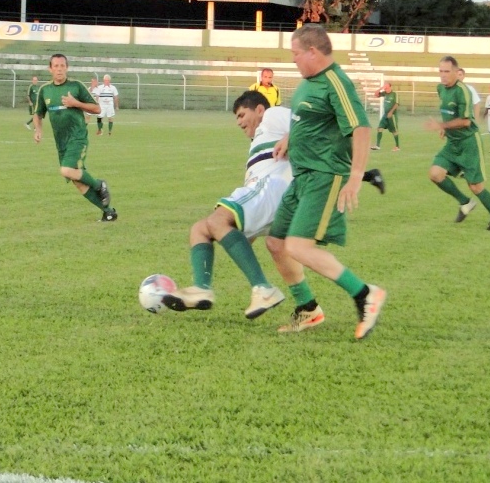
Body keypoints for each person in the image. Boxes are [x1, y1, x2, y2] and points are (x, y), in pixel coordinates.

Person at [165, 90, 388, 319]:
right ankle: (307, 306)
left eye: (242, 115)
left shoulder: (272, 116)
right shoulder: (260, 139)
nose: (239, 122)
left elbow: (312, 125)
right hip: (268, 193)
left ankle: (263, 289)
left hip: (271, 188)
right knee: (204, 230)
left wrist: (291, 138)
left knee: (218, 220)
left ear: (259, 110)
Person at [264, 24, 387, 340]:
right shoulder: (309, 82)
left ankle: (364, 294)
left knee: (298, 246)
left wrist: (356, 177)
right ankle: (308, 309)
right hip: (302, 176)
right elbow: (308, 117)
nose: (292, 60)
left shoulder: (336, 82)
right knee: (276, 244)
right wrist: (290, 138)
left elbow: (360, 129)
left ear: (312, 52)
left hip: (325, 175)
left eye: (295, 53)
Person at [33, 54, 117, 222]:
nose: (59, 69)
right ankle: (108, 212)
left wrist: (75, 103)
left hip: (77, 137)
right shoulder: (45, 90)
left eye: (62, 65)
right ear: (50, 69)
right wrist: (38, 129)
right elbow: (38, 113)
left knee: (66, 170)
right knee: (77, 181)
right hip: (61, 142)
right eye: (56, 66)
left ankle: (99, 185)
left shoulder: (76, 86)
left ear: (67, 68)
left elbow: (97, 109)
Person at [426, 56, 490, 230]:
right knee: (435, 173)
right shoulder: (441, 89)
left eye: (447, 71)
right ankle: (465, 202)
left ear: (456, 72)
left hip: (469, 143)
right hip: (452, 144)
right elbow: (449, 112)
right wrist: (444, 128)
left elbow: (466, 121)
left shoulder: (463, 91)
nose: (443, 75)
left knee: (476, 186)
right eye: (440, 71)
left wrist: (441, 125)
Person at [370, 82, 400, 151]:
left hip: (392, 115)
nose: (386, 89)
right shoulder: (385, 93)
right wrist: (381, 88)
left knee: (394, 131)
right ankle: (377, 146)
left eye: (387, 87)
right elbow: (376, 94)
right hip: (385, 115)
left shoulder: (394, 94)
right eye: (385, 87)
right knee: (380, 128)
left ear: (390, 87)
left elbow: (397, 104)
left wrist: (391, 112)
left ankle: (397, 146)